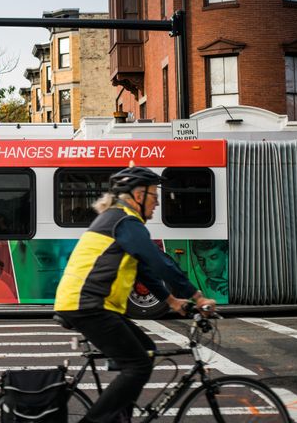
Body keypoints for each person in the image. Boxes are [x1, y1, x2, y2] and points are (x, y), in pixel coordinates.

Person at [54, 166, 217, 423]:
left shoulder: (119, 219)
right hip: (88, 305)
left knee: (146, 350)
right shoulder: (124, 221)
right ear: (138, 195)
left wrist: (172, 301)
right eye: (154, 196)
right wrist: (198, 297)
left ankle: (120, 419)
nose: (157, 203)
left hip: (90, 304)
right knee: (138, 365)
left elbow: (142, 268)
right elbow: (159, 261)